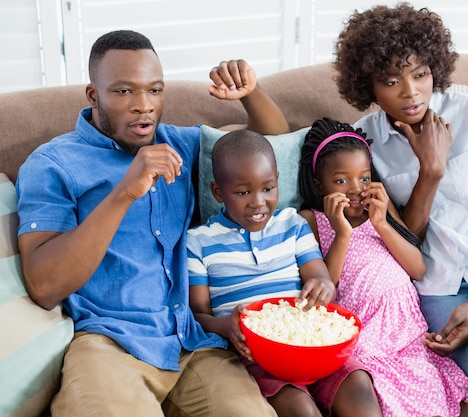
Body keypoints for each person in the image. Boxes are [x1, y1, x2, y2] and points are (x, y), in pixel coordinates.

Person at [15, 29, 290, 417]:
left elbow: (274, 144)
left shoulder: (180, 143)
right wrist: (124, 192)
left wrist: (250, 94)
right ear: (94, 96)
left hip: (193, 344)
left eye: (154, 90)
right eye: (124, 91)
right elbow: (44, 285)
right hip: (110, 345)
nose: (143, 105)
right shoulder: (52, 164)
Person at [333, 4, 468, 417]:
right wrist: (431, 171)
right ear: (370, 86)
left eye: (420, 74)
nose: (411, 92)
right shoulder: (365, 143)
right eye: (391, 81)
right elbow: (406, 235)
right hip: (439, 289)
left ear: (435, 68)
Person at [186, 129, 383, 417]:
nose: (258, 202)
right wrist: (227, 326)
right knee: (301, 410)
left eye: (268, 189)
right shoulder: (199, 242)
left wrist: (323, 287)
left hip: (314, 346)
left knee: (358, 386)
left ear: (278, 180)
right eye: (243, 192)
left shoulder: (292, 224)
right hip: (259, 359)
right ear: (218, 192)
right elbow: (197, 315)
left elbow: (321, 279)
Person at [297, 117, 468, 417]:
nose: (356, 189)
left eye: (364, 178)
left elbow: (418, 269)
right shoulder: (313, 221)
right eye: (341, 181)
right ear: (319, 185)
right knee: (388, 400)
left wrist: (382, 224)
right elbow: (324, 288)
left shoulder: (379, 211)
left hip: (407, 334)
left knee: (464, 402)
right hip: (364, 337)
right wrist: (342, 232)